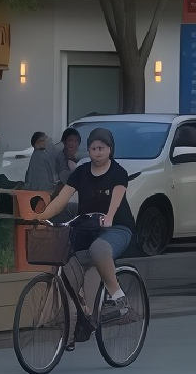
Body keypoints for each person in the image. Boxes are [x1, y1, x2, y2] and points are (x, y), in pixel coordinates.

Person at [36, 126, 134, 314]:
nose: (98, 152)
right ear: (88, 150)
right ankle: (74, 317)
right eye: (94, 148)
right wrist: (40, 217)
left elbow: (117, 197)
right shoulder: (81, 172)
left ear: (110, 149)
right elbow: (60, 201)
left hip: (116, 228)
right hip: (87, 230)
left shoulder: (118, 172)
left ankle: (117, 295)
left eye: (102, 148)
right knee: (65, 259)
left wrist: (109, 217)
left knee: (99, 248)